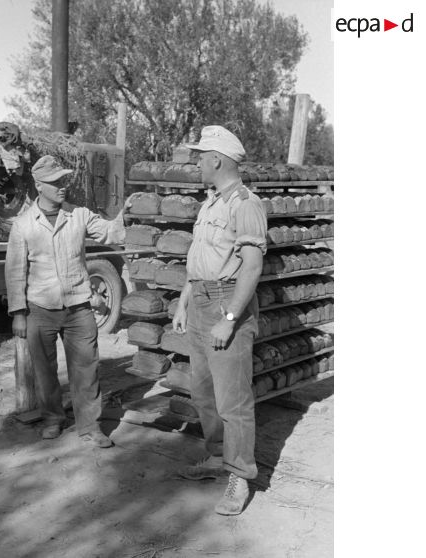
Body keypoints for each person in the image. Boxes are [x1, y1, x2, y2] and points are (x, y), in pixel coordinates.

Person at [172, 126, 267, 515]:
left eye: (200, 156)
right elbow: (200, 260)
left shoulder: (245, 203)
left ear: (216, 160)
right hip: (200, 301)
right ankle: (215, 456)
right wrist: (184, 301)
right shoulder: (210, 203)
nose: (197, 162)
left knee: (234, 401)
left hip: (228, 303)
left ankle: (239, 477)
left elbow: (252, 266)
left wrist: (229, 317)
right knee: (204, 392)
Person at [5, 155, 130, 448]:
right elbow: (14, 272)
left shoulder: (79, 215)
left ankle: (90, 425)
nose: (63, 186)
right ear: (38, 185)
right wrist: (19, 313)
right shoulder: (23, 225)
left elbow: (112, 232)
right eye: (55, 182)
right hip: (40, 309)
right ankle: (53, 419)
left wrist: (127, 213)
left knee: (87, 368)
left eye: (63, 180)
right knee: (44, 370)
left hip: (78, 308)